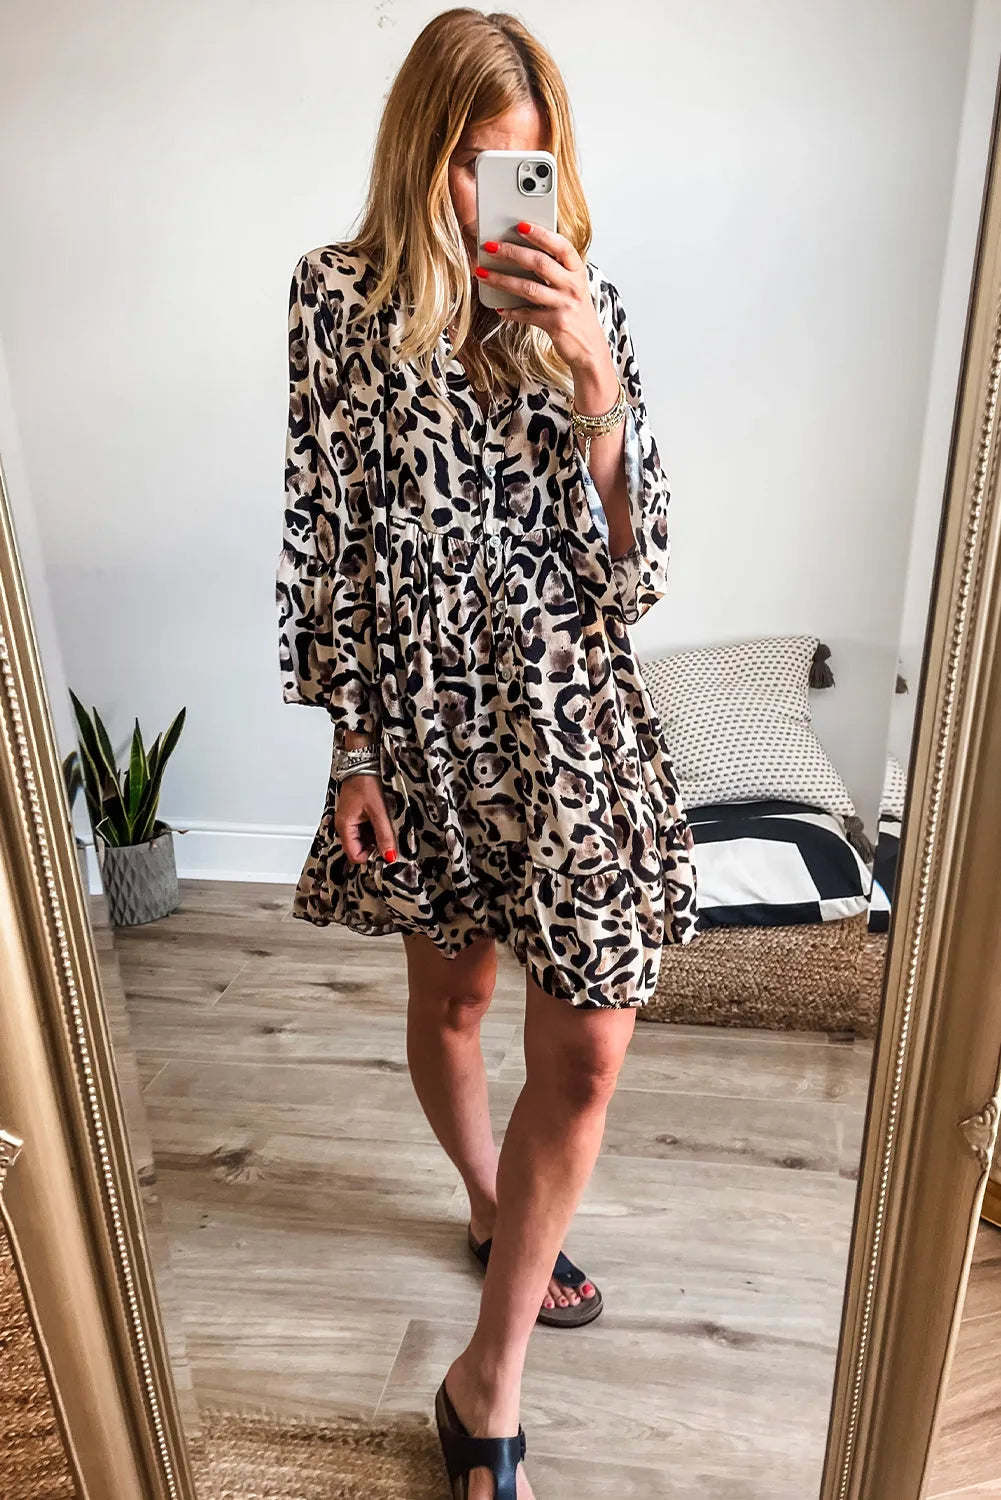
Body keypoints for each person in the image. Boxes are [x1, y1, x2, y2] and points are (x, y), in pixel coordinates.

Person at [276, 10, 698, 1496]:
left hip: (570, 716)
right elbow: (324, 531)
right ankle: (484, 1195)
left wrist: (595, 380)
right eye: (470, 162)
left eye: (523, 164)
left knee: (586, 1046)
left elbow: (638, 572)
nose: (496, 196)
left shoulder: (587, 306)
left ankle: (486, 1382)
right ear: (420, 155)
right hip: (425, 727)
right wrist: (352, 746)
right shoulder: (334, 299)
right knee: (454, 1000)